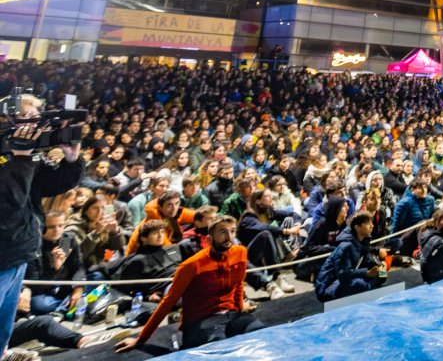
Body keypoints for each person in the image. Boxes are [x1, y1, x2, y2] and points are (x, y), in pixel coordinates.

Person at [0, 112, 84, 361]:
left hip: (19, 250)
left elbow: (55, 183)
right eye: (23, 121)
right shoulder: (18, 157)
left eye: (33, 122)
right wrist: (20, 159)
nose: (30, 129)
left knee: (4, 326)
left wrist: (71, 158)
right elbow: (8, 203)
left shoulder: (22, 155)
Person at [115, 215, 264, 353]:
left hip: (232, 315)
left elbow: (238, 285)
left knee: (262, 335)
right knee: (221, 351)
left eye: (232, 231)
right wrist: (140, 339)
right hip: (201, 322)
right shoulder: (191, 265)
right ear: (210, 238)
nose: (229, 237)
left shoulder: (240, 252)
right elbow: (167, 303)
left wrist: (239, 309)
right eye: (223, 232)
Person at [314, 211, 384, 302]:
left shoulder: (363, 242)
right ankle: (366, 291)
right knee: (359, 284)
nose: (372, 226)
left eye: (371, 222)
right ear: (357, 227)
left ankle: (366, 290)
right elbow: (343, 274)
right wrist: (367, 273)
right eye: (368, 223)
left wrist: (380, 266)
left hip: (346, 279)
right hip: (328, 287)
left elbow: (368, 260)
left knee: (382, 275)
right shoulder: (346, 246)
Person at [25, 210, 84, 315]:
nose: (57, 230)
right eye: (51, 227)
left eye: (60, 225)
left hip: (66, 286)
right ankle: (67, 306)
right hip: (44, 292)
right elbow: (35, 284)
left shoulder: (68, 239)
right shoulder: (35, 247)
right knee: (38, 304)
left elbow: (78, 267)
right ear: (43, 226)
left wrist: (78, 289)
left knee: (97, 276)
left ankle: (67, 304)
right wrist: (55, 268)